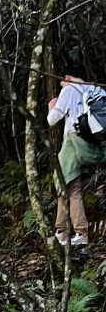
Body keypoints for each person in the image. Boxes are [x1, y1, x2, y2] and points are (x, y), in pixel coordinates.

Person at [48, 61, 106, 247]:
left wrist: (52, 106)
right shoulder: (97, 90)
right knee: (65, 185)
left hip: (73, 143)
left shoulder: (69, 89)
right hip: (91, 144)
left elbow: (52, 119)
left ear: (66, 77)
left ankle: (80, 232)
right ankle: (61, 231)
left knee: (70, 188)